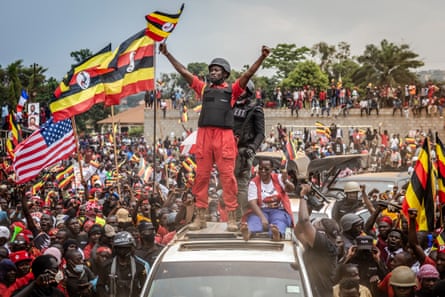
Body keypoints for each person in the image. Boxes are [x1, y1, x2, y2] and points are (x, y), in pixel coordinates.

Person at [159, 42, 271, 232]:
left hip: (224, 136)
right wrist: (167, 54)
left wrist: (261, 57)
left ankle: (233, 219)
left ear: (225, 74)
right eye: (211, 70)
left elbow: (247, 75)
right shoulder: (203, 89)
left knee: (228, 178)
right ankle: (200, 218)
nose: (213, 72)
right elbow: (184, 72)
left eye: (217, 70)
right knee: (201, 177)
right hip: (204, 136)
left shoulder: (232, 91)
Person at [294, 183, 340, 297]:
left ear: (323, 232)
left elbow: (304, 222)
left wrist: (303, 196)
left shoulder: (325, 246)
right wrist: (308, 205)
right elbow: (299, 231)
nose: (313, 225)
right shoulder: (316, 246)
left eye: (317, 224)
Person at [233, 80, 265, 219]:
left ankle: (240, 217)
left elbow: (260, 133)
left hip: (244, 150)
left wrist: (252, 148)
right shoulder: (231, 106)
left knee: (241, 186)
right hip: (229, 150)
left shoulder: (255, 109)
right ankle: (230, 215)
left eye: (243, 90)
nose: (240, 92)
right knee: (227, 183)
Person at [240, 158, 294, 241]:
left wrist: (286, 180)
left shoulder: (278, 178)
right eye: (260, 168)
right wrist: (262, 218)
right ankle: (248, 233)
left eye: (266, 169)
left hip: (278, 210)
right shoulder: (253, 182)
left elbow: (290, 189)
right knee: (254, 220)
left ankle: (276, 234)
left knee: (279, 220)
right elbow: (252, 203)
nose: (263, 171)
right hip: (261, 210)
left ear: (272, 169)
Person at [96, 231, 148, 297]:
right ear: (115, 249)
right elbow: (100, 286)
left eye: (126, 248)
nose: (122, 251)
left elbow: (145, 287)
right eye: (120, 248)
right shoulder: (106, 266)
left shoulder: (140, 266)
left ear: (131, 248)